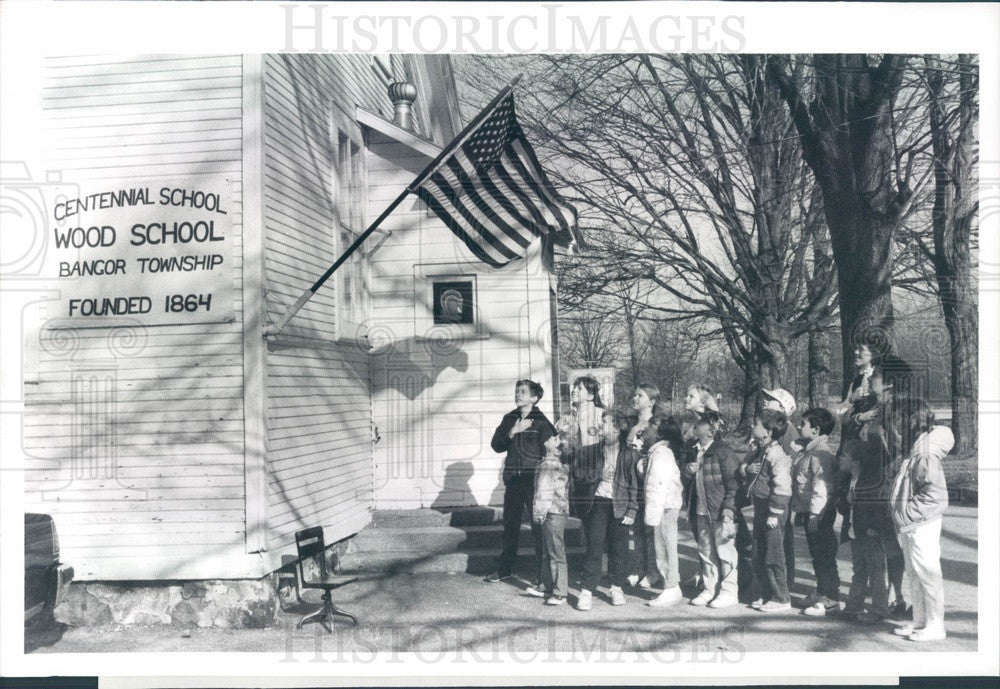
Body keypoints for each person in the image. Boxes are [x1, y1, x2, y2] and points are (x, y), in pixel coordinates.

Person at [888, 397, 952, 642]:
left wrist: (907, 513)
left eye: (897, 420)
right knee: (915, 573)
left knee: (928, 572)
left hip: (921, 523)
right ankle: (921, 621)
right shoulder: (915, 449)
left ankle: (936, 626)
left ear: (910, 422)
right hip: (911, 523)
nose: (893, 426)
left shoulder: (925, 453)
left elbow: (935, 495)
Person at [487, 380, 556, 587]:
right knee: (510, 527)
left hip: (532, 481)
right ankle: (505, 569)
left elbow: (551, 450)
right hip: (514, 481)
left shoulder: (542, 422)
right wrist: (513, 431)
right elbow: (496, 446)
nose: (518, 395)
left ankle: (542, 575)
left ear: (534, 398)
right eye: (516, 391)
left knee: (538, 528)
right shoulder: (509, 418)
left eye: (523, 392)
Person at [575, 407, 639, 610]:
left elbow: (635, 485)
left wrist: (632, 510)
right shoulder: (590, 451)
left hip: (620, 505)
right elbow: (578, 475)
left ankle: (616, 587)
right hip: (598, 503)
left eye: (605, 422)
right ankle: (586, 590)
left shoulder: (629, 455)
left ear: (617, 428)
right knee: (594, 546)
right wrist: (598, 475)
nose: (600, 425)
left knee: (619, 549)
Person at [683, 410, 741, 608]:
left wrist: (728, 510)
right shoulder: (694, 450)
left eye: (699, 424)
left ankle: (729, 591)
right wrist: (687, 472)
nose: (694, 427)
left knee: (725, 552)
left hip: (719, 511)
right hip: (700, 510)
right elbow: (685, 479)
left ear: (710, 430)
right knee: (706, 551)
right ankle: (709, 588)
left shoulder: (723, 452)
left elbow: (733, 485)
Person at [791, 408, 842, 616]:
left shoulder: (822, 454)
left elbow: (822, 489)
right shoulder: (808, 450)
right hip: (809, 512)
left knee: (824, 555)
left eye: (803, 424)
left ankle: (830, 598)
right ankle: (821, 590)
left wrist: (814, 515)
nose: (799, 426)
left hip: (819, 514)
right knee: (816, 555)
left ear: (816, 429)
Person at [742, 408, 793, 612]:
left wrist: (775, 512)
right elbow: (747, 468)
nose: (753, 427)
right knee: (758, 553)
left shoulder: (777, 455)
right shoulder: (760, 450)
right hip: (761, 509)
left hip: (773, 512)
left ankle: (782, 598)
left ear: (768, 431)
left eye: (757, 424)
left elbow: (782, 487)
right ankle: (767, 593)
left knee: (773, 555)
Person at [643, 415, 686, 607]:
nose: (646, 429)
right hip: (663, 506)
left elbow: (658, 485)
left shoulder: (662, 454)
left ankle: (672, 587)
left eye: (652, 425)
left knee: (666, 547)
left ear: (660, 432)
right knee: (661, 546)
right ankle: (668, 584)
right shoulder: (657, 453)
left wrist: (653, 513)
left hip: (664, 507)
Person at [625, 384, 663, 590]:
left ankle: (653, 570)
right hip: (631, 480)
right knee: (636, 528)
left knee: (651, 529)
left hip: (648, 480)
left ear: (652, 401)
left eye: (641, 395)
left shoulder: (656, 424)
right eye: (635, 394)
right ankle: (638, 568)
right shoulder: (631, 423)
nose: (635, 398)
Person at [533, 433, 572, 606]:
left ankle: (560, 592)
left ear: (557, 451)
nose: (550, 438)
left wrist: (539, 513)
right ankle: (546, 585)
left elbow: (544, 491)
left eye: (555, 440)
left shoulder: (550, 464)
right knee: (549, 551)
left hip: (552, 512)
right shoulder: (550, 462)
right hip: (554, 511)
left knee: (556, 552)